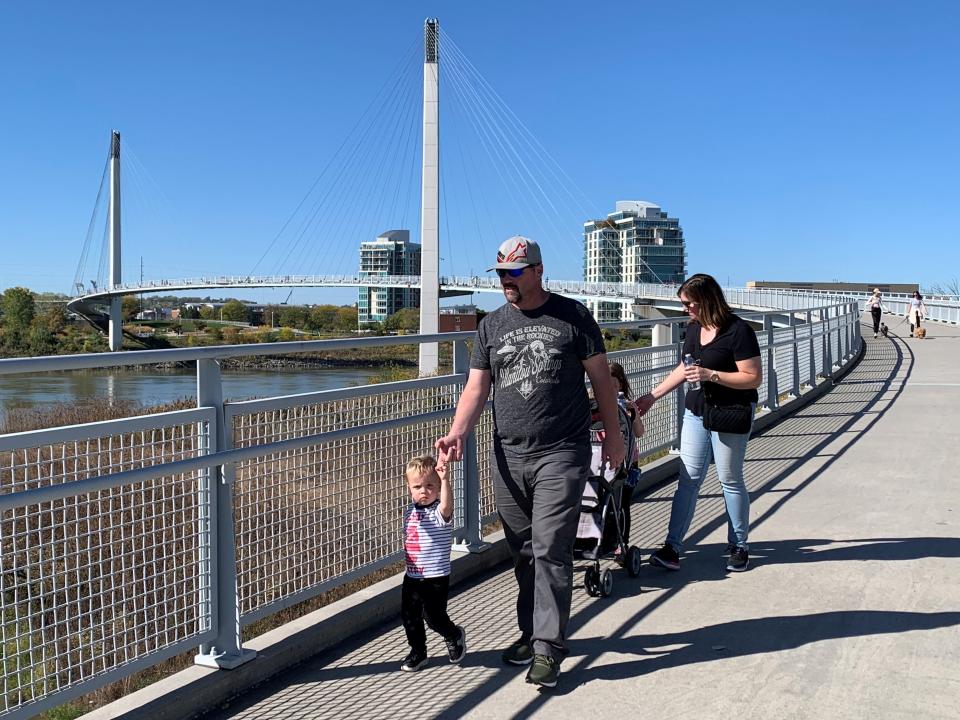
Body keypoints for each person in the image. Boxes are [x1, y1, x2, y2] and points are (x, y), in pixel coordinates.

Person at [435, 235, 624, 689]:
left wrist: (614, 438)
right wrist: (458, 432)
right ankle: (530, 631)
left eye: (513, 273)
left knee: (550, 548)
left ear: (538, 271)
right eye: (500, 274)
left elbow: (601, 380)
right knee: (521, 551)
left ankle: (548, 648)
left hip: (562, 450)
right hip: (508, 453)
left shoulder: (574, 317)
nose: (505, 281)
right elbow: (477, 388)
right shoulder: (491, 325)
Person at [634, 273, 762, 573]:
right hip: (696, 413)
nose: (684, 309)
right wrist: (653, 396)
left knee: (729, 480)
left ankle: (739, 545)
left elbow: (753, 377)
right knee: (688, 480)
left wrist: (711, 375)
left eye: (688, 303)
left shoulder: (738, 331)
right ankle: (672, 547)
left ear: (706, 300)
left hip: (730, 412)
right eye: (682, 303)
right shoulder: (693, 329)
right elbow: (685, 366)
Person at [399, 453, 466, 672]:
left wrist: (445, 480)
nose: (424, 491)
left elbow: (447, 507)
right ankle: (418, 652)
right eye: (417, 486)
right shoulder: (409, 512)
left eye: (430, 485)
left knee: (433, 616)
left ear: (437, 488)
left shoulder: (438, 512)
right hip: (413, 575)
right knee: (410, 616)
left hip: (435, 575)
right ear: (409, 488)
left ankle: (453, 634)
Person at [608, 362, 645, 547]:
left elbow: (639, 432)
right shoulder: (595, 404)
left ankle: (623, 542)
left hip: (628, 463)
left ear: (621, 384)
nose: (610, 389)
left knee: (622, 504)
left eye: (614, 384)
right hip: (604, 462)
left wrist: (634, 412)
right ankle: (604, 539)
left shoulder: (627, 405)